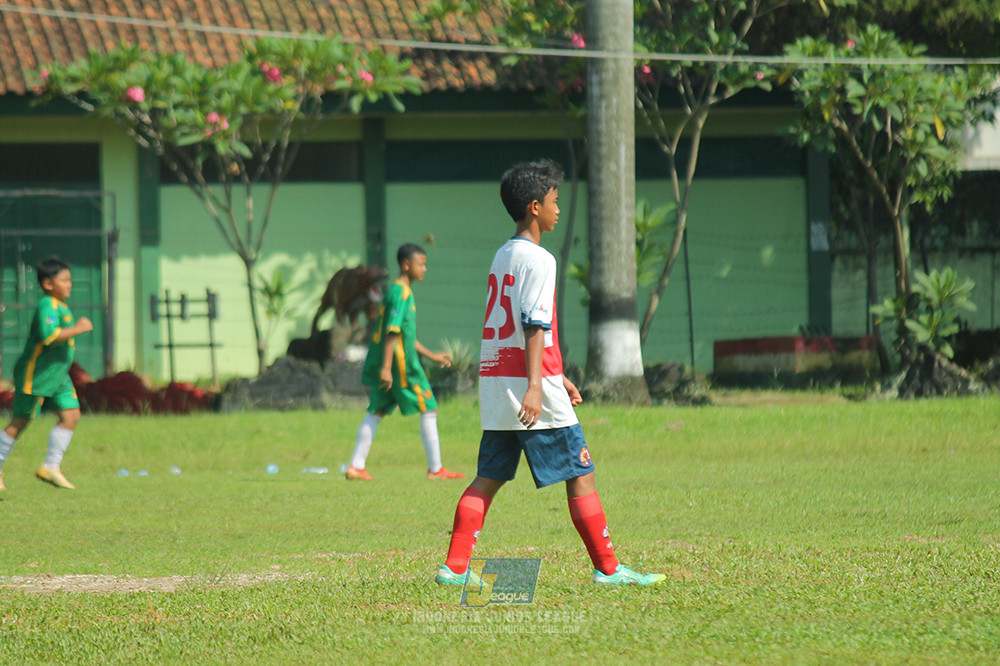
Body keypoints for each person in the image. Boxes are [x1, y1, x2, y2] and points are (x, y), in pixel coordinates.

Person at [435, 159, 665, 586]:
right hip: (528, 389)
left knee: (489, 477)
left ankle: (454, 568)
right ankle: (609, 570)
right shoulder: (540, 259)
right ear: (535, 206)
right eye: (555, 202)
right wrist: (539, 387)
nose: (559, 210)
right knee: (581, 473)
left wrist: (555, 375)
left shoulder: (503, 254)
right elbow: (533, 324)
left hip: (499, 383)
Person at [346, 243, 466, 481]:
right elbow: (392, 332)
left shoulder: (397, 292)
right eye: (422, 264)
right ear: (406, 265)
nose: (425, 268)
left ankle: (356, 466)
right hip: (402, 367)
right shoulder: (402, 293)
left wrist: (432, 356)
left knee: (376, 410)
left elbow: (403, 334)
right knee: (429, 407)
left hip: (392, 365)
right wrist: (386, 369)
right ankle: (436, 469)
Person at [0, 257, 93, 491]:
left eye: (70, 280)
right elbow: (49, 337)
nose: (70, 284)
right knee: (20, 421)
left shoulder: (61, 305)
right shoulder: (47, 305)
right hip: (37, 373)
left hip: (58, 374)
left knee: (71, 415)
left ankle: (51, 467)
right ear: (48, 283)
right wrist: (79, 329)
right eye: (64, 280)